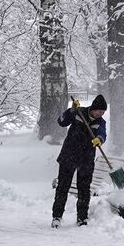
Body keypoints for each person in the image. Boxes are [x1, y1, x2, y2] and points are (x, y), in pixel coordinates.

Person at [51, 95, 107, 227]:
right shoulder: (78, 112)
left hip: (86, 159)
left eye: (103, 112)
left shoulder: (101, 122)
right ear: (93, 108)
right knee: (62, 188)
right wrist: (70, 111)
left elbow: (103, 133)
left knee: (84, 189)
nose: (101, 114)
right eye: (99, 111)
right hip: (69, 155)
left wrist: (99, 139)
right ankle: (57, 217)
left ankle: (82, 218)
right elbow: (61, 121)